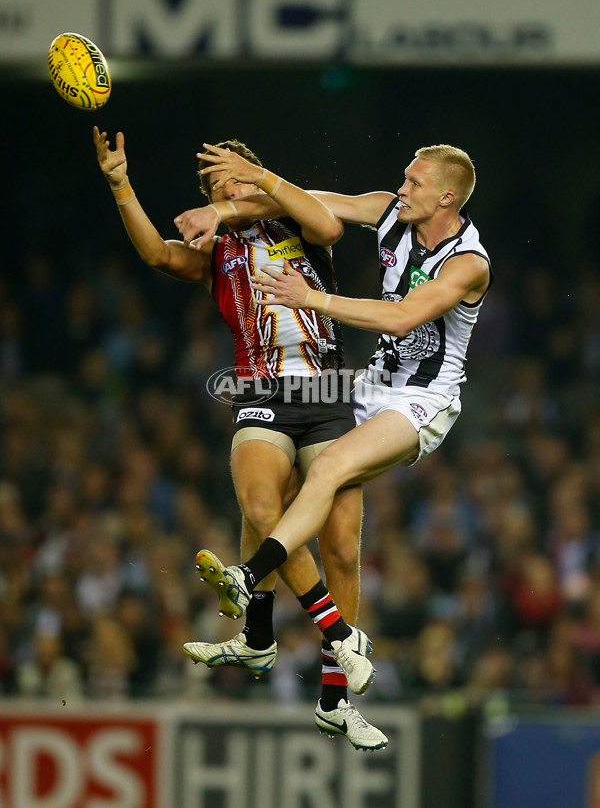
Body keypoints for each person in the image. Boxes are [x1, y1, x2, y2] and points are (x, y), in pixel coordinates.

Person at [93, 128, 387, 751]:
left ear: (257, 173)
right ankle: (335, 637)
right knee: (262, 509)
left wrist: (257, 183)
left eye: (233, 175)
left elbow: (332, 230)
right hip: (260, 394)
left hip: (327, 394)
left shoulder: (300, 215)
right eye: (212, 183)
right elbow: (158, 255)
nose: (223, 187)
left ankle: (329, 697)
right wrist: (121, 185)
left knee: (340, 547)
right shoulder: (219, 249)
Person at [175, 142, 492, 694]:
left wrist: (309, 299)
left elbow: (401, 318)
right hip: (371, 384)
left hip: (424, 398)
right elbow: (297, 208)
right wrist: (222, 209)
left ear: (446, 197)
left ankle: (250, 580)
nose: (402, 189)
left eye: (414, 183)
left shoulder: (468, 264)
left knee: (326, 473)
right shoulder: (389, 212)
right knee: (283, 500)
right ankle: (288, 659)